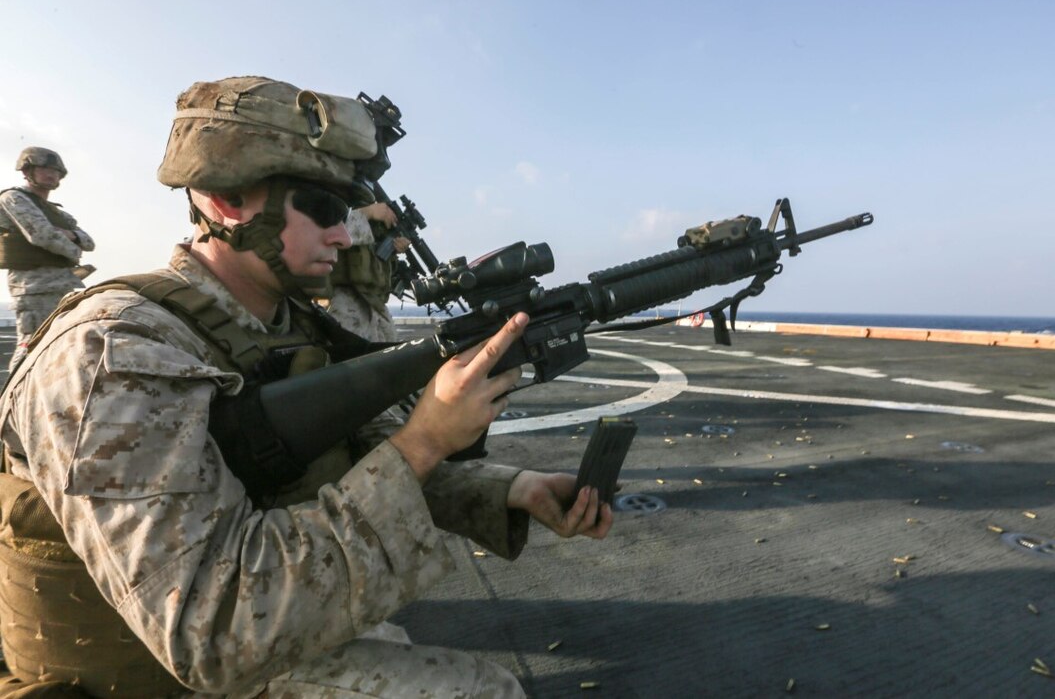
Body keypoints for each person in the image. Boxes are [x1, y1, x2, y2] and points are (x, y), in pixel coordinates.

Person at [0, 76, 611, 698]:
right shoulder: (113, 354)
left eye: (347, 212)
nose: (345, 235)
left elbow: (362, 454)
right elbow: (210, 631)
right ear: (226, 198)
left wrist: (513, 489)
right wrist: (424, 443)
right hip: (150, 675)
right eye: (322, 209)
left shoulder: (284, 323)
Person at [0, 147, 95, 369]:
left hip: (66, 285)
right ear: (27, 170)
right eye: (44, 168)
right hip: (34, 287)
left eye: (56, 170)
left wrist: (71, 235)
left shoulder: (57, 212)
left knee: (65, 346)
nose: (51, 174)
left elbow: (89, 241)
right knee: (31, 346)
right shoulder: (14, 198)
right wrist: (74, 249)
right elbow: (42, 235)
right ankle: (9, 400)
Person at [324, 202, 409, 342]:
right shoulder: (337, 201)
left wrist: (394, 249)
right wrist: (368, 212)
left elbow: (373, 262)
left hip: (373, 302)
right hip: (343, 301)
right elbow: (329, 233)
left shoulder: (373, 218)